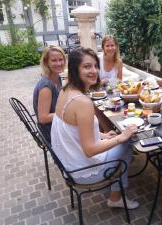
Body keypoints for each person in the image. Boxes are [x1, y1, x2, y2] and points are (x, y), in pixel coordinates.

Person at [51, 47, 139, 209]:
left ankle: (117, 186)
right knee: (128, 142)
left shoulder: (65, 90)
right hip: (84, 172)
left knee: (118, 139)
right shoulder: (82, 102)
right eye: (87, 66)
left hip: (69, 165)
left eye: (95, 66)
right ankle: (115, 197)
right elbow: (90, 150)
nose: (94, 71)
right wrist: (121, 137)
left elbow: (74, 130)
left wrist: (103, 136)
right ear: (74, 69)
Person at [33, 45, 66, 142]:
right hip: (51, 132)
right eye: (54, 60)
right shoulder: (46, 86)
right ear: (46, 62)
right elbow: (43, 118)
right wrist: (67, 113)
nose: (58, 63)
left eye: (61, 59)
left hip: (57, 125)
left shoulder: (56, 77)